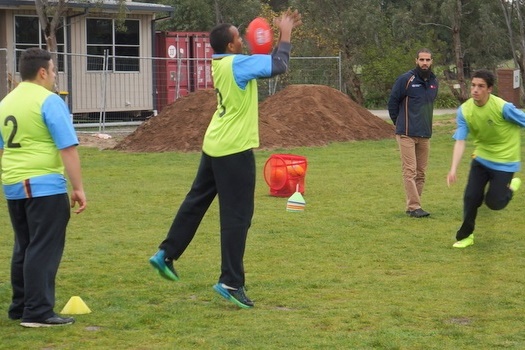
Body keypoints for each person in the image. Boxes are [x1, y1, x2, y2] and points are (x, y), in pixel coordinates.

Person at [149, 10, 302, 309]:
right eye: (238, 36)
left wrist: (264, 44)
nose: (242, 38)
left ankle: (165, 254)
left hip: (214, 143)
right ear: (231, 46)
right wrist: (284, 34)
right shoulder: (237, 64)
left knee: (196, 202)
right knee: (237, 217)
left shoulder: (222, 62)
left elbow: (265, 63)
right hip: (233, 150)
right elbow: (280, 64)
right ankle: (231, 281)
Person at [0, 48, 87, 327]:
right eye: (53, 72)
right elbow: (68, 148)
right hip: (42, 185)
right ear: (42, 72)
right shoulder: (48, 101)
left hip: (13, 182)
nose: (53, 77)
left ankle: (21, 306)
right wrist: (78, 187)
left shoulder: (6, 102)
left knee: (24, 245)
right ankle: (37, 312)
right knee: (43, 247)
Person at [447, 69, 524, 248]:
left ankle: (510, 188)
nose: (475, 90)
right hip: (481, 159)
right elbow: (460, 141)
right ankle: (466, 236)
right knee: (471, 197)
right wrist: (453, 169)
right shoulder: (465, 110)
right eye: (473, 85)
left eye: (481, 86)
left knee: (494, 203)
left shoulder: (502, 107)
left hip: (505, 162)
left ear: (489, 89)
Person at [388, 49, 439, 217]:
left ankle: (413, 206)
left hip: (425, 134)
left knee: (421, 172)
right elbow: (393, 102)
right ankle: (415, 207)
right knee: (410, 171)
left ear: (432, 62)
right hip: (406, 133)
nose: (425, 63)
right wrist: (399, 123)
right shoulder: (406, 79)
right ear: (416, 60)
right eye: (422, 59)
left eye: (428, 60)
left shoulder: (434, 82)